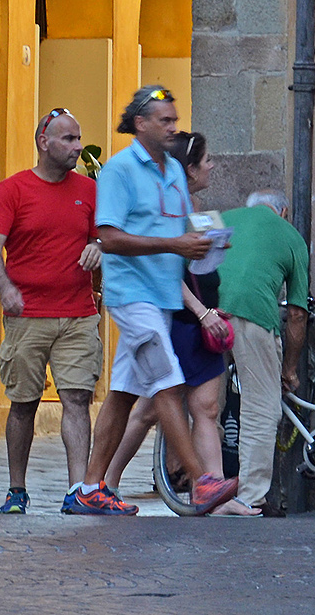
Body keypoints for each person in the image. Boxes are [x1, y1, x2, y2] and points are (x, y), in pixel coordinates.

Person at [70, 86, 238, 516]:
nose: (172, 127)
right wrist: (177, 244)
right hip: (134, 297)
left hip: (162, 298)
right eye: (164, 121)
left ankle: (91, 487)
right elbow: (108, 238)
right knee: (166, 381)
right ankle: (201, 481)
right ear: (140, 123)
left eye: (174, 120)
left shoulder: (174, 172)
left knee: (124, 393)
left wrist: (209, 239)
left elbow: (183, 224)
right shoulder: (120, 171)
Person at [102, 132, 256, 514]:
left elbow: (197, 265)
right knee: (149, 407)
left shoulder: (194, 205)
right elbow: (166, 271)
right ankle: (106, 482)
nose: (212, 166)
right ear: (188, 168)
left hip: (204, 317)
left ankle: (217, 495)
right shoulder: (162, 204)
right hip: (177, 316)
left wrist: (215, 246)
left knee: (205, 409)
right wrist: (201, 311)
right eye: (206, 161)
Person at [0, 107, 101, 515]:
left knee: (77, 399)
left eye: (78, 138)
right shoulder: (13, 190)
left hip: (78, 314)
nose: (77, 146)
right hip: (27, 315)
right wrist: (5, 287)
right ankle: (17, 489)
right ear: (43, 142)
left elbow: (104, 239)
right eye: (68, 139)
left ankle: (77, 491)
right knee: (24, 403)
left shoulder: (89, 190)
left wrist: (97, 248)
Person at [216, 190, 309, 515]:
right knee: (261, 409)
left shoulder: (224, 219)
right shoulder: (290, 235)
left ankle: (208, 491)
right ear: (283, 213)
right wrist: (289, 369)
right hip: (253, 317)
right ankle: (249, 496)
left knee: (206, 408)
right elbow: (297, 315)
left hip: (208, 313)